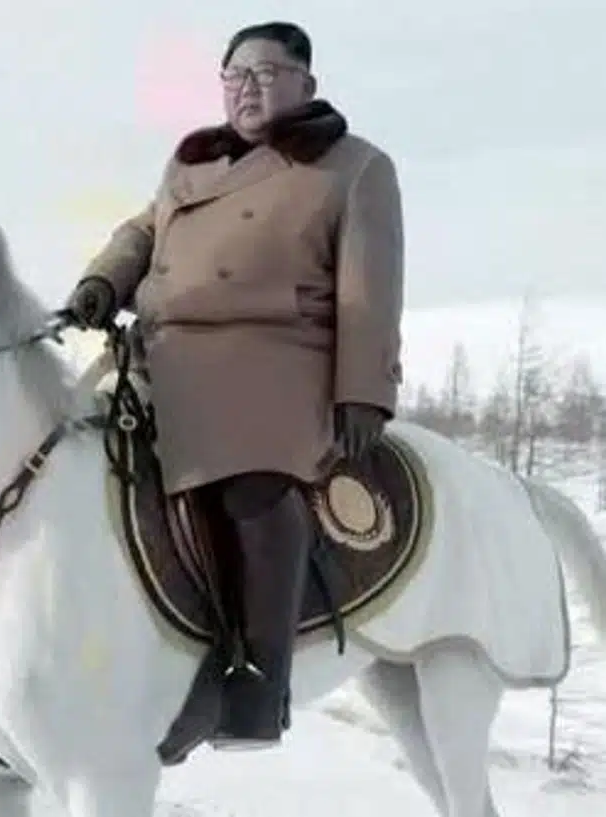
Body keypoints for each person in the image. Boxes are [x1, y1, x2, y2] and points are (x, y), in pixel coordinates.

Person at [62, 20, 405, 764]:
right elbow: (143, 231)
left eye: (267, 73)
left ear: (306, 84)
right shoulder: (194, 162)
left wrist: (364, 390)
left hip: (276, 356)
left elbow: (369, 292)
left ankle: (253, 681)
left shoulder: (352, 168)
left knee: (250, 482)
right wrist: (103, 280)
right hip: (162, 349)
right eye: (235, 75)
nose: (248, 88)